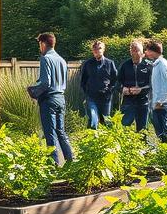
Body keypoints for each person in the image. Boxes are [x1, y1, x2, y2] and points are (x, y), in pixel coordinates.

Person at [27, 32, 74, 165]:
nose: (39, 47)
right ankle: (71, 161)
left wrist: (32, 91)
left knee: (50, 133)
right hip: (61, 98)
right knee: (61, 131)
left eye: (39, 44)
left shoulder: (45, 58)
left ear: (43, 44)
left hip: (49, 100)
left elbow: (45, 83)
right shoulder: (62, 60)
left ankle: (54, 165)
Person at [79, 39, 118, 129]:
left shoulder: (110, 63)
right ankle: (91, 139)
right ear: (93, 51)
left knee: (106, 122)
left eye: (99, 48)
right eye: (95, 49)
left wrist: (109, 91)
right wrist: (87, 93)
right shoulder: (88, 64)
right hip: (91, 97)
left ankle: (106, 141)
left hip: (105, 97)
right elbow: (83, 80)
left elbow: (115, 79)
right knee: (93, 119)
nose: (97, 50)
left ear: (103, 49)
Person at [118, 39, 152, 132]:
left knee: (142, 131)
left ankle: (143, 145)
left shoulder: (148, 66)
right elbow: (117, 83)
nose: (134, 52)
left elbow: (152, 84)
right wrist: (123, 89)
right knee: (124, 127)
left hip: (143, 101)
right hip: (128, 101)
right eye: (132, 50)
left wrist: (141, 90)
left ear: (142, 52)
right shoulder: (125, 65)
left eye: (136, 50)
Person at [145, 39, 167, 142]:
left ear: (153, 51)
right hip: (157, 102)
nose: (146, 52)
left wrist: (160, 101)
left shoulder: (162, 65)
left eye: (147, 50)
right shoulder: (157, 64)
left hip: (162, 103)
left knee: (162, 129)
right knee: (159, 129)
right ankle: (164, 150)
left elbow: (166, 85)